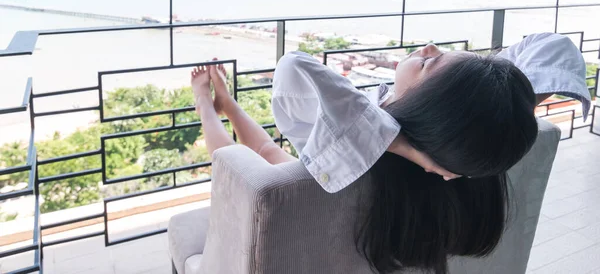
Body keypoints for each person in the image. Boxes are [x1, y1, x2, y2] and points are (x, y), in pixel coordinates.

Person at [190, 32, 591, 274]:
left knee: (246, 159)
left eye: (428, 64)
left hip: (329, 185)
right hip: (361, 171)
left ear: (425, 108)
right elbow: (554, 49)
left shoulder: (362, 133)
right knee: (263, 152)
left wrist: (394, 139)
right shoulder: (484, 145)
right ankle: (225, 104)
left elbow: (294, 67)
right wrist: (490, 93)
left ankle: (209, 106)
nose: (428, 47)